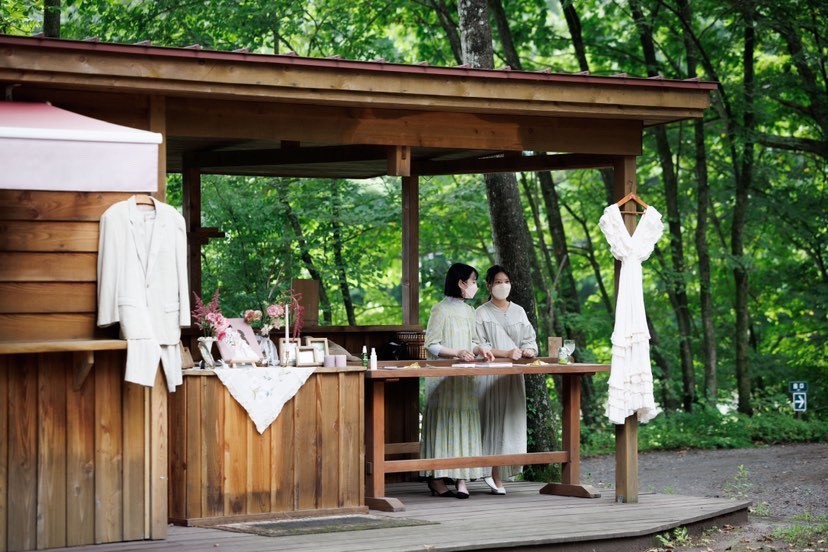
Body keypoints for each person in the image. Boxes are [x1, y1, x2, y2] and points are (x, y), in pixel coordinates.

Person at [421, 262, 495, 499]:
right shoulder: (440, 310)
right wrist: (457, 352)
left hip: (465, 378)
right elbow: (431, 344)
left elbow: (472, 340)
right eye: (472, 281)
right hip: (444, 379)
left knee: (464, 422)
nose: (474, 286)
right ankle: (438, 478)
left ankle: (462, 478)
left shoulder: (469, 311)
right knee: (446, 424)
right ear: (461, 283)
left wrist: (479, 349)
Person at [475, 265, 538, 495]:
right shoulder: (481, 312)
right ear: (489, 285)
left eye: (507, 281)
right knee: (491, 421)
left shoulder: (519, 311)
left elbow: (530, 340)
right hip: (490, 375)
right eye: (498, 281)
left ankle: (500, 473)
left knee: (511, 423)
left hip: (513, 376)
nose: (503, 285)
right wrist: (506, 353)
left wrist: (528, 351)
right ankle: (488, 472)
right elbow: (478, 344)